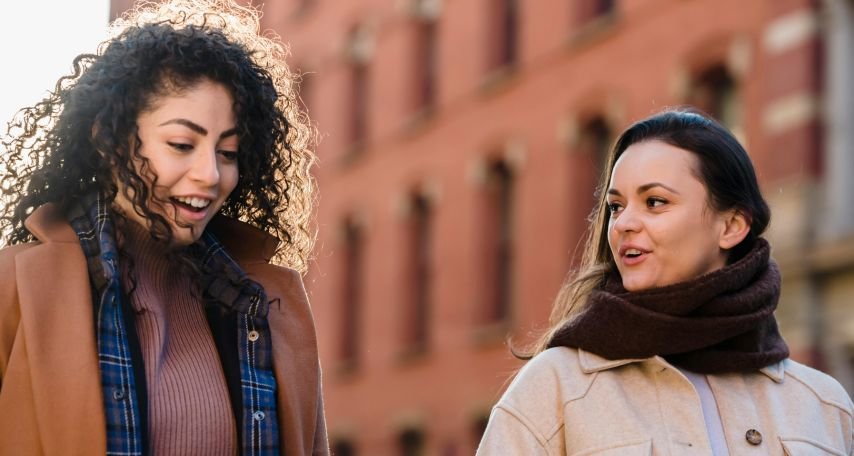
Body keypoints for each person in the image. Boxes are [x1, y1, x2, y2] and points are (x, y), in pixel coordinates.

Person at [0, 0, 328, 454]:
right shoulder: (13, 288)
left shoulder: (271, 306)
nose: (210, 175)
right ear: (108, 139)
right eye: (181, 144)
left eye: (228, 153)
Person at [477, 109, 853, 455]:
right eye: (616, 206)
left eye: (655, 202)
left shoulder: (823, 405)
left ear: (732, 226)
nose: (623, 223)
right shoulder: (555, 388)